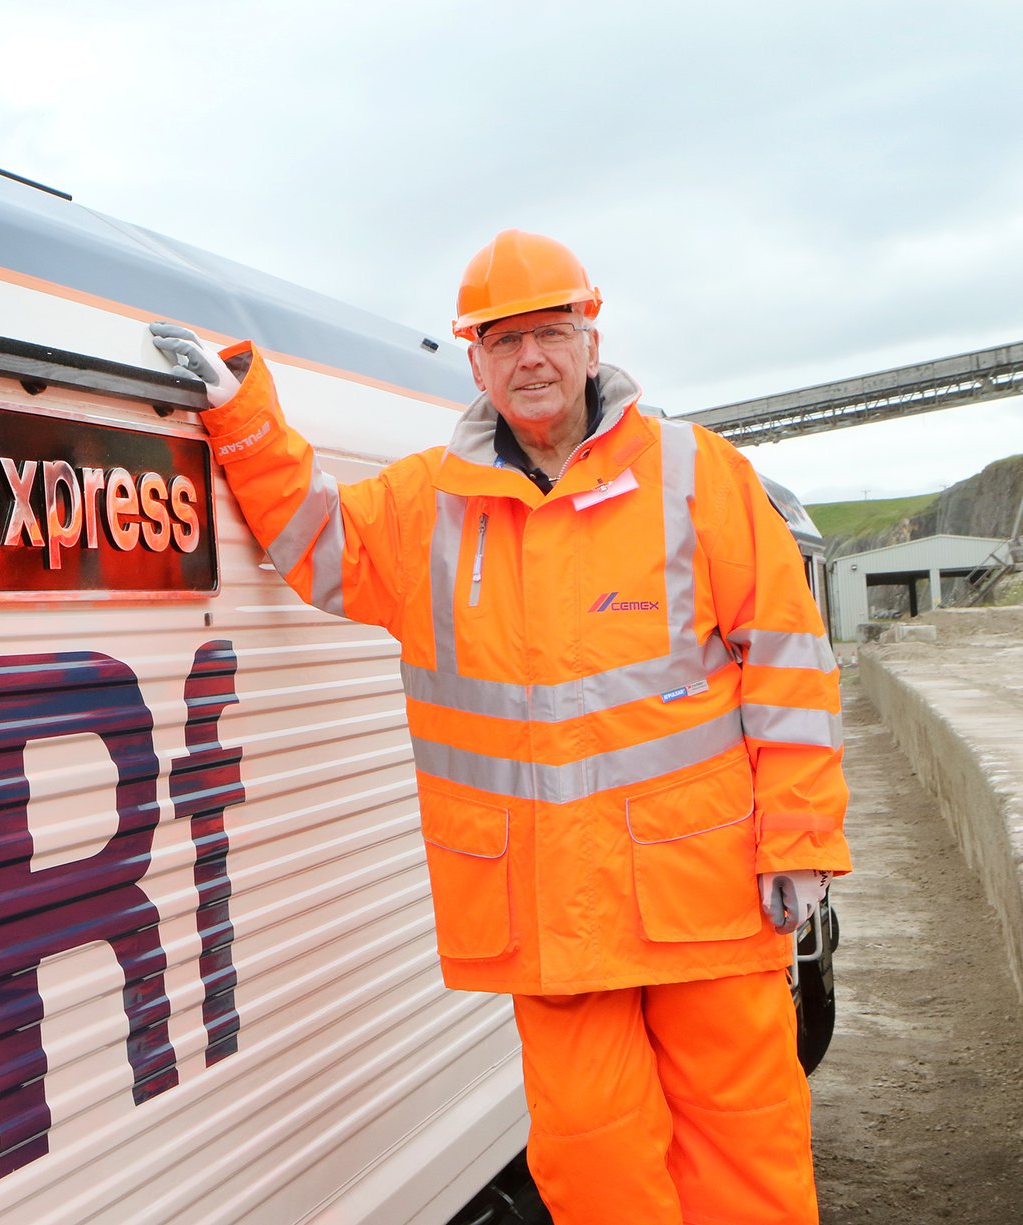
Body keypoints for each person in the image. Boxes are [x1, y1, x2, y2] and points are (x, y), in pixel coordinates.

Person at [151, 229, 850, 1225]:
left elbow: (786, 666)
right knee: (596, 1171)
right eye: (502, 337)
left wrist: (801, 842)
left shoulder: (696, 476)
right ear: (473, 358)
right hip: (552, 917)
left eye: (548, 331)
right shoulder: (427, 506)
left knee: (744, 1152)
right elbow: (315, 542)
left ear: (587, 336)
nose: (529, 357)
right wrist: (241, 418)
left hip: (706, 899)